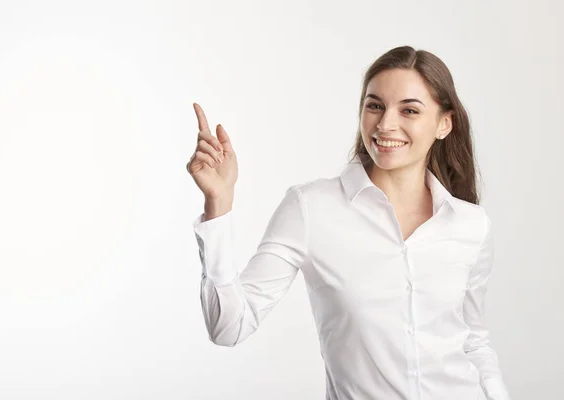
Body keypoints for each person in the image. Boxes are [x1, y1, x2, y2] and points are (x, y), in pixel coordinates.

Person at [186, 45, 511, 400]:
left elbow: (473, 341)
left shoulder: (471, 225)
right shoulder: (310, 209)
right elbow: (228, 326)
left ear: (444, 124)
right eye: (375, 106)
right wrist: (218, 203)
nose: (386, 124)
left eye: (410, 110)